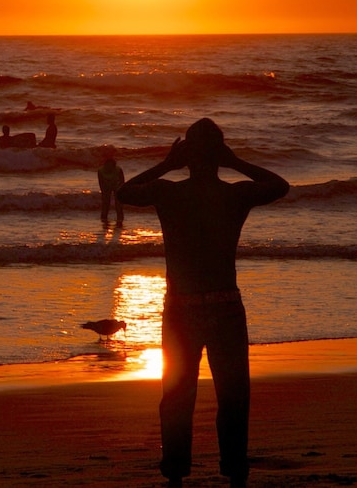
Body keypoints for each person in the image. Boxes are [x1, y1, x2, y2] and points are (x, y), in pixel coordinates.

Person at [116, 118, 289, 487]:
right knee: (233, 395)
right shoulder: (234, 195)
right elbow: (280, 186)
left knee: (178, 395)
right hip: (226, 305)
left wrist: (167, 164)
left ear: (187, 156)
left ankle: (176, 474)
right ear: (219, 154)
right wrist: (235, 161)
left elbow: (124, 193)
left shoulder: (168, 193)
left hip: (182, 307)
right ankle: (235, 472)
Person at [97, 157, 125, 224]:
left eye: (111, 166)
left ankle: (120, 219)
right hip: (106, 187)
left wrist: (121, 190)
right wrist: (103, 191)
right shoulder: (100, 171)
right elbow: (100, 182)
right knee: (105, 204)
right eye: (108, 165)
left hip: (117, 186)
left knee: (118, 204)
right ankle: (104, 219)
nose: (109, 168)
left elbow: (122, 180)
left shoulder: (118, 170)